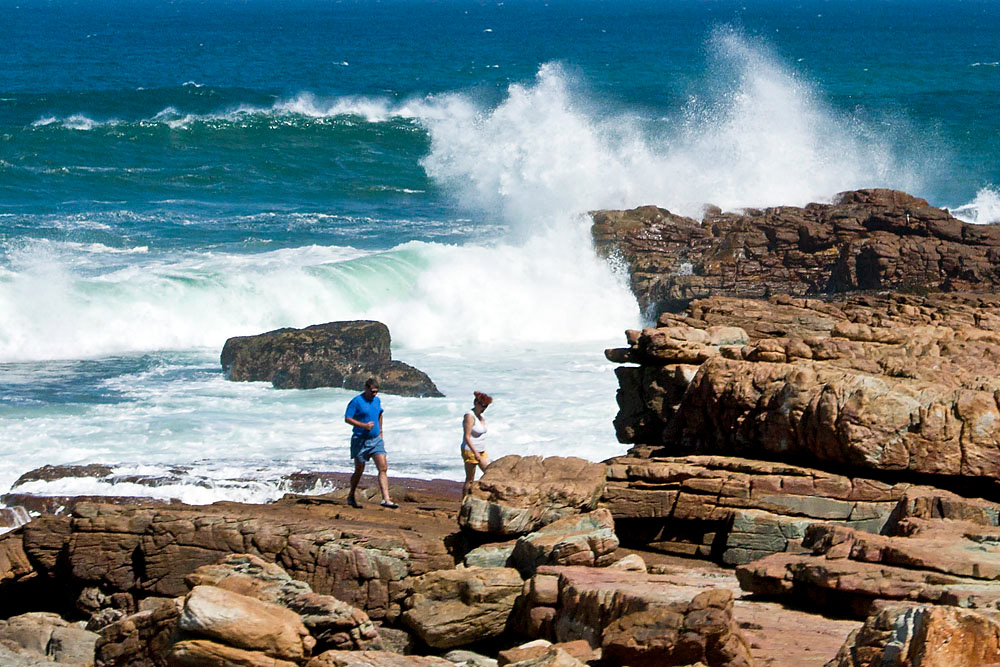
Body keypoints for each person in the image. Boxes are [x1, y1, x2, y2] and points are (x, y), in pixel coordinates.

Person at [344, 377, 398, 509]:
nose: (374, 394)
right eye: (372, 391)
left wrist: (380, 431)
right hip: (360, 440)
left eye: (376, 392)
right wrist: (363, 425)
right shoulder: (356, 401)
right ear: (366, 388)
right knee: (359, 470)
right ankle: (351, 494)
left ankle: (386, 499)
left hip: (375, 440)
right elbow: (347, 418)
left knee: (383, 467)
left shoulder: (377, 400)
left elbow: (380, 414)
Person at [461, 391, 492, 496]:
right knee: (470, 480)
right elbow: (467, 437)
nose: (484, 408)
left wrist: (480, 452)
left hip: (481, 450)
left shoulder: (480, 417)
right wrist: (476, 453)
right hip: (470, 451)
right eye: (482, 406)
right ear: (476, 403)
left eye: (486, 406)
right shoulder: (469, 416)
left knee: (490, 472)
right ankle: (464, 503)